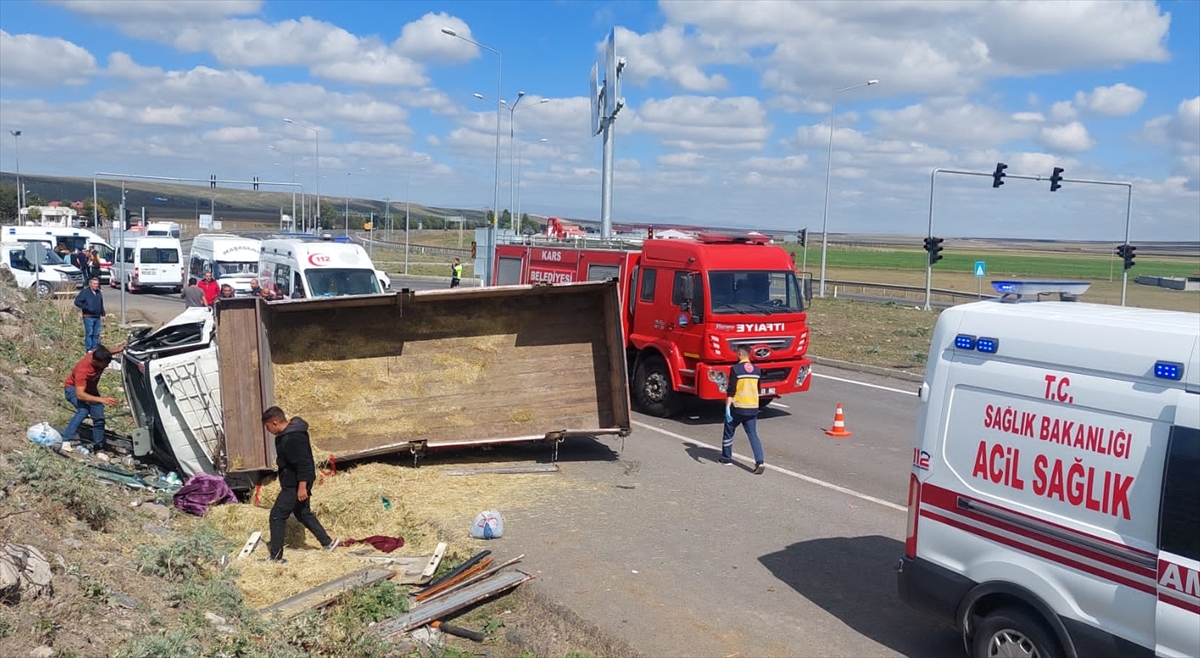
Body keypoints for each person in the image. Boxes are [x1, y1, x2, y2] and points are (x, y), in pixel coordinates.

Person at [261, 406, 340, 563]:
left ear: (274, 422)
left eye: (267, 426)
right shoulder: (289, 433)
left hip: (295, 484)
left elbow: (303, 463)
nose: (267, 430)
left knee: (277, 516)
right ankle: (328, 543)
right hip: (296, 482)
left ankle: (276, 558)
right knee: (303, 513)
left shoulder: (292, 438)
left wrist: (302, 487)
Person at [61, 343, 124, 452]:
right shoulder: (83, 370)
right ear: (96, 362)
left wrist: (119, 349)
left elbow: (106, 352)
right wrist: (102, 399)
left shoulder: (98, 355)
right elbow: (80, 395)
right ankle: (65, 440)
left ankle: (98, 446)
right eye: (105, 364)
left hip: (91, 390)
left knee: (99, 418)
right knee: (83, 410)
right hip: (73, 389)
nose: (107, 366)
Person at [720, 345, 766, 474]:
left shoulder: (736, 369)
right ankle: (759, 461)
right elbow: (758, 390)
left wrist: (727, 407)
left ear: (740, 354)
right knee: (753, 434)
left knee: (729, 430)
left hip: (738, 407)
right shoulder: (757, 370)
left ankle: (726, 458)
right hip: (753, 407)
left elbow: (731, 390)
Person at [73, 277, 106, 351]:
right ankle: (89, 349)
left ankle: (94, 348)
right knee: (89, 333)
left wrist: (103, 314)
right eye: (94, 284)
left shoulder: (98, 292)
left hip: (97, 317)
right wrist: (87, 308)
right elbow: (77, 302)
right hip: (88, 317)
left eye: (97, 284)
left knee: (96, 334)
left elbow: (101, 303)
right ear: (90, 284)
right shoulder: (85, 292)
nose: (96, 285)